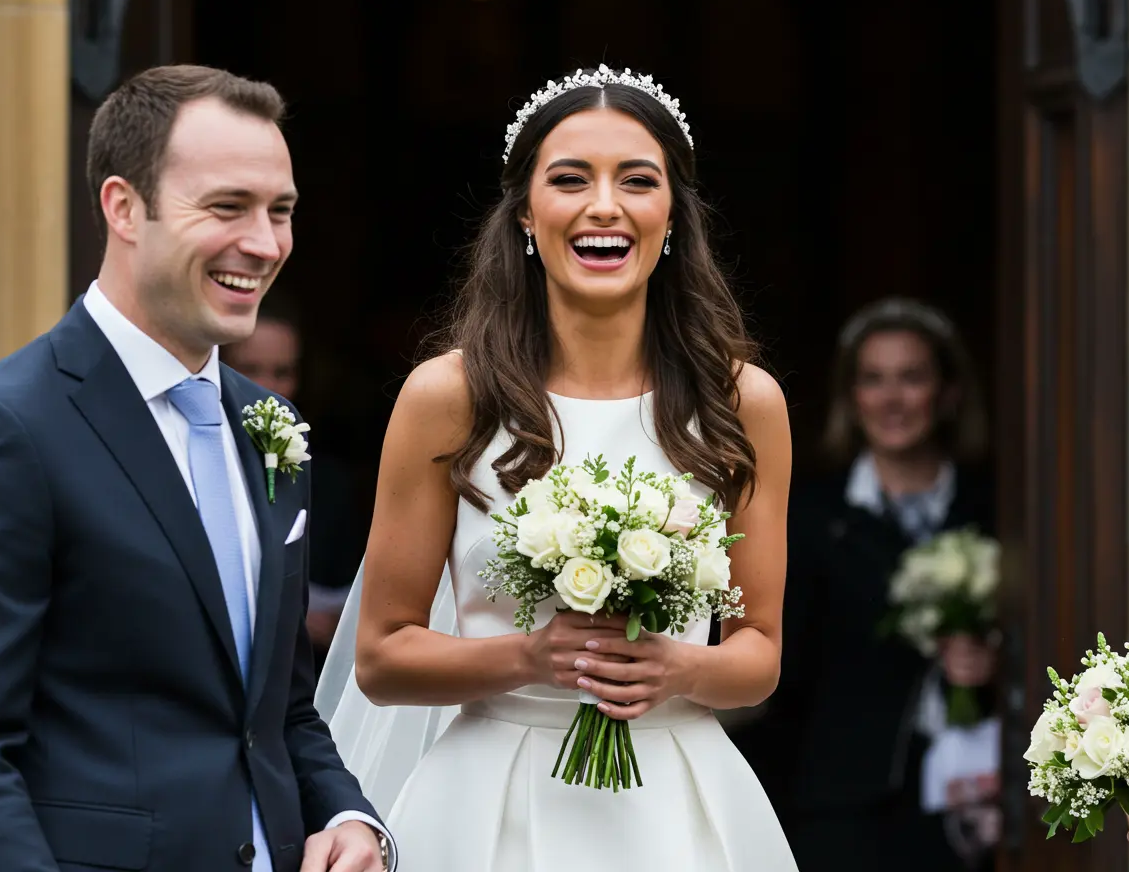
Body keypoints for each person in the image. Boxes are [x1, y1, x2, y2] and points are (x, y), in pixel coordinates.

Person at [315, 64, 797, 870]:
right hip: (486, 803)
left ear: (671, 214)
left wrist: (681, 667)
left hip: (676, 802)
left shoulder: (743, 402)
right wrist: (532, 658)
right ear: (526, 218)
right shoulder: (448, 398)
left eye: (636, 181)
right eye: (570, 180)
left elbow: (759, 656)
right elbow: (382, 655)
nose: (603, 206)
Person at [0, 65, 394, 872]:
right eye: (226, 207)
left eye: (280, 212)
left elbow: (277, 711)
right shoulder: (3, 429)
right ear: (123, 207)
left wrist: (353, 820)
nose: (264, 243)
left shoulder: (272, 428)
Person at [730, 297, 997, 871]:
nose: (892, 399)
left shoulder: (995, 507)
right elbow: (782, 667)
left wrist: (992, 663)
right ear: (852, 398)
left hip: (976, 801)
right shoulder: (812, 517)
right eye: (873, 380)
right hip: (840, 804)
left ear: (948, 391)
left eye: (912, 377)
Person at [223, 302, 364, 670]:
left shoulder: (328, 481)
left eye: (282, 372)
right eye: (248, 369)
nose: (266, 387)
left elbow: (350, 599)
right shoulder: (186, 459)